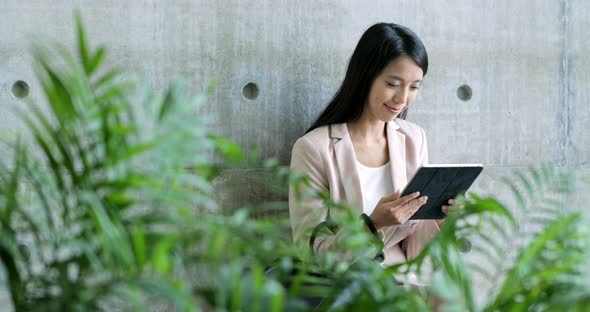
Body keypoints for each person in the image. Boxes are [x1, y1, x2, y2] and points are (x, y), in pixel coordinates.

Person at [288, 22, 454, 268]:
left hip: (402, 284)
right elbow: (312, 253)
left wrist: (441, 219)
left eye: (414, 87)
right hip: (346, 289)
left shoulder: (414, 139)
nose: (402, 98)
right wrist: (372, 225)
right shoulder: (314, 149)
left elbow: (414, 249)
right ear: (365, 76)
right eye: (393, 84)